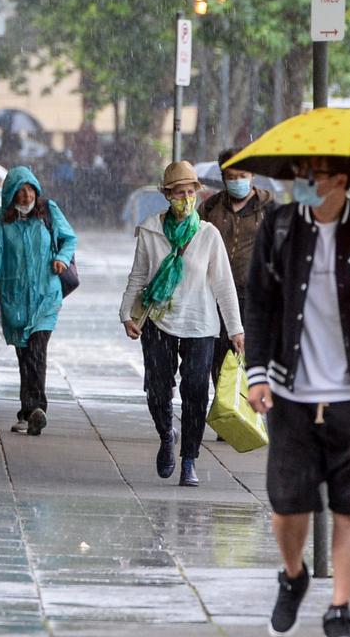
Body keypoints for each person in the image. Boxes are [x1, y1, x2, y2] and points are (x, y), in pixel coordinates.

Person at [245, 156, 350, 637]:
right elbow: (257, 302)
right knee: (287, 505)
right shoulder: (279, 227)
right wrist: (256, 374)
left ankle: (340, 606)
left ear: (341, 181)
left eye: (314, 176)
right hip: (289, 389)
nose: (303, 183)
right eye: (299, 174)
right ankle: (294, 576)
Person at [119, 161, 243, 487]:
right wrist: (126, 314)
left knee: (196, 392)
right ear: (167, 195)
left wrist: (236, 329)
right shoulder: (150, 230)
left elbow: (224, 285)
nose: (185, 198)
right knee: (158, 390)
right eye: (178, 192)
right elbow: (139, 275)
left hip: (201, 325)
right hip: (158, 321)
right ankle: (165, 434)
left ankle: (189, 459)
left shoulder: (208, 235)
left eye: (190, 192)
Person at [0, 166, 77, 435]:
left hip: (46, 298)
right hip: (14, 300)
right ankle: (27, 412)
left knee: (36, 349)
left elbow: (69, 239)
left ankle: (35, 408)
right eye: (20, 192)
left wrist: (61, 259)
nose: (25, 196)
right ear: (10, 194)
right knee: (25, 354)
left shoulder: (48, 211)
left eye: (30, 190)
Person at [197, 152, 275, 386]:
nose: (237, 181)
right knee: (220, 360)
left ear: (252, 175)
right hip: (216, 296)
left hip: (256, 297)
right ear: (223, 177)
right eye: (231, 176)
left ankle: (251, 407)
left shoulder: (270, 208)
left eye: (242, 175)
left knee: (253, 358)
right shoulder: (210, 208)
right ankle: (227, 410)